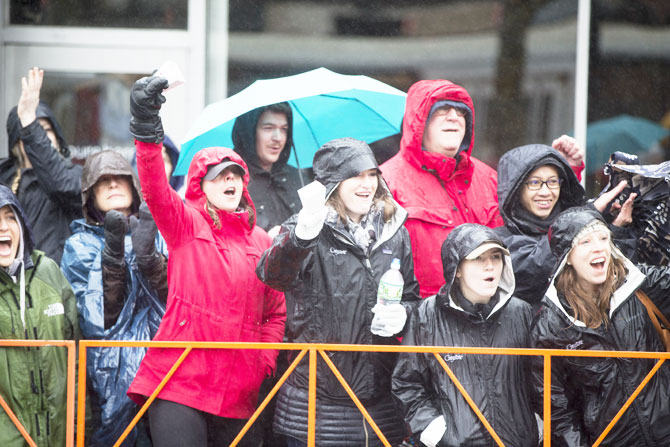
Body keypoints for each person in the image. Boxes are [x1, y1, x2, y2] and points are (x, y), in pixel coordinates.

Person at [126, 76, 286, 447]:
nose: (229, 180)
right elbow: (153, 186)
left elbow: (276, 313)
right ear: (201, 186)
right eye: (219, 176)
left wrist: (263, 359)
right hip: (179, 382)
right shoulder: (186, 222)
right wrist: (146, 124)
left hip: (238, 392)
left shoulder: (261, 241)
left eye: (235, 175)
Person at [257, 137, 421, 447]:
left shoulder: (395, 232)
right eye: (355, 175)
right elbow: (272, 274)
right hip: (315, 408)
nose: (367, 184)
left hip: (379, 407)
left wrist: (404, 314)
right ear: (333, 182)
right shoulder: (306, 225)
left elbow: (412, 297)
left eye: (372, 174)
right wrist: (302, 236)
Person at [531, 206, 670, 446]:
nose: (599, 247)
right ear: (567, 257)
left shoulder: (639, 284)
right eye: (585, 242)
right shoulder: (550, 325)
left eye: (604, 238)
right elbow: (556, 410)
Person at [392, 224, 538, 447]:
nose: (490, 266)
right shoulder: (427, 315)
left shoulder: (522, 312)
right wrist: (437, 431)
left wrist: (539, 423)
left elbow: (542, 380)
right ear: (457, 268)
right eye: (479, 258)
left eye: (496, 257)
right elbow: (406, 383)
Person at [60, 149, 168, 446]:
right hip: (110, 378)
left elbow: (175, 299)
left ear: (133, 185)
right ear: (89, 194)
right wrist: (112, 257)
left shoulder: (161, 233)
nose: (112, 185)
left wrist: (150, 259)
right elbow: (96, 319)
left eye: (120, 178)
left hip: (164, 368)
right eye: (102, 180)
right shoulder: (78, 246)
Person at [380, 79, 502, 298]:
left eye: (461, 112)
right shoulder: (385, 183)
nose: (454, 116)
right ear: (419, 122)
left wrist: (567, 170)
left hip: (487, 320)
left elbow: (535, 231)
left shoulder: (490, 179)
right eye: (442, 109)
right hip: (419, 323)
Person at [495, 143, 637, 305]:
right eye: (534, 183)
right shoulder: (500, 241)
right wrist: (589, 215)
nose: (545, 192)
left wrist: (617, 230)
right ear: (516, 189)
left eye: (553, 182)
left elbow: (619, 285)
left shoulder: (582, 219)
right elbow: (534, 271)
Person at [0, 184, 81, 446]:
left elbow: (77, 358)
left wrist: (81, 428)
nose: (4, 227)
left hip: (59, 435)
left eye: (10, 217)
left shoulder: (48, 271)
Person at [2, 66, 82, 263]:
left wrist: (29, 123)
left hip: (55, 284)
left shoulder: (74, 176)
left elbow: (59, 184)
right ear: (15, 143)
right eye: (28, 132)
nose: (40, 137)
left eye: (45, 130)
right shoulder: (4, 179)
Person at [232, 102, 306, 237]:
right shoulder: (231, 181)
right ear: (249, 132)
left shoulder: (297, 178)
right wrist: (264, 241)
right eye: (268, 128)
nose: (278, 138)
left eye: (284, 129)